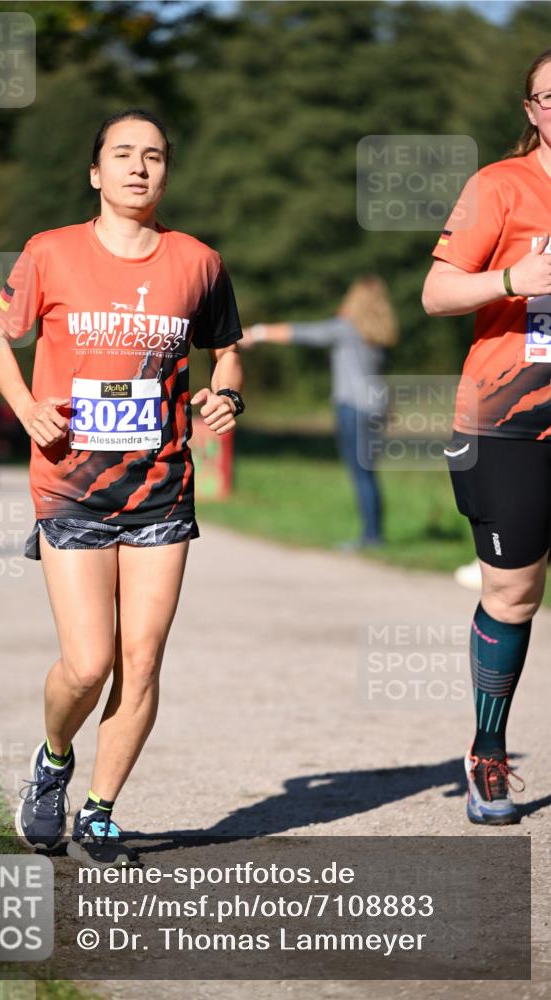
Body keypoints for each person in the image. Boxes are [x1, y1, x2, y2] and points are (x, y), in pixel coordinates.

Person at [0, 109, 244, 863]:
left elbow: (227, 352)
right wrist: (26, 405)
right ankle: (55, 757)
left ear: (166, 172)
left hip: (160, 483)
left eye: (153, 156)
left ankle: (99, 807)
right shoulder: (50, 252)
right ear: (95, 172)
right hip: (71, 483)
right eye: (122, 155)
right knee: (88, 662)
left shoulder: (198, 261)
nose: (138, 168)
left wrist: (226, 394)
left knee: (143, 657)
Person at [422, 49, 551, 825]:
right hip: (509, 419)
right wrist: (513, 281)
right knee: (512, 591)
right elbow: (436, 291)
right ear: (532, 109)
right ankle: (487, 749)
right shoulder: (498, 186)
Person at [242, 276, 398, 548]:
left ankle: (372, 536)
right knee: (368, 471)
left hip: (353, 407)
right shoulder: (379, 335)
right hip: (377, 407)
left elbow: (301, 333)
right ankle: (374, 532)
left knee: (360, 472)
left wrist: (256, 333)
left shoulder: (347, 329)